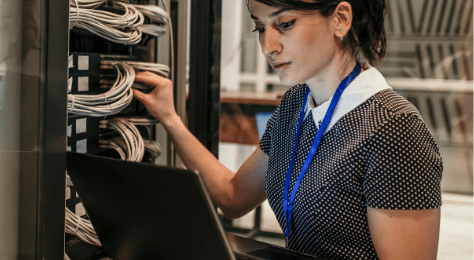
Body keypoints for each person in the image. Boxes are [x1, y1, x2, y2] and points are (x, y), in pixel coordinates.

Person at [132, 0, 442, 259]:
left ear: (341, 19)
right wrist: (170, 117)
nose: (268, 46)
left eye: (285, 24)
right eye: (259, 27)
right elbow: (233, 196)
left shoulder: (395, 128)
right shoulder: (295, 104)